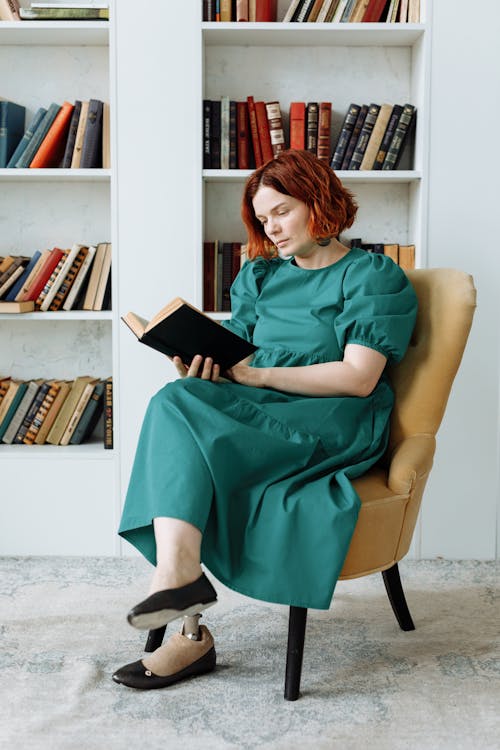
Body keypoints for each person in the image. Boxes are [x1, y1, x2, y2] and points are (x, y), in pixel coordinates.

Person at [112, 149, 418, 690]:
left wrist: (250, 379)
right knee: (178, 397)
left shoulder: (372, 276)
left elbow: (359, 377)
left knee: (179, 415)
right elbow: (241, 361)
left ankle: (186, 617)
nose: (270, 228)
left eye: (281, 211)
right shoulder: (259, 278)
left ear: (318, 201)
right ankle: (181, 591)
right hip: (263, 414)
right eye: (262, 218)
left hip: (332, 423)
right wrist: (208, 370)